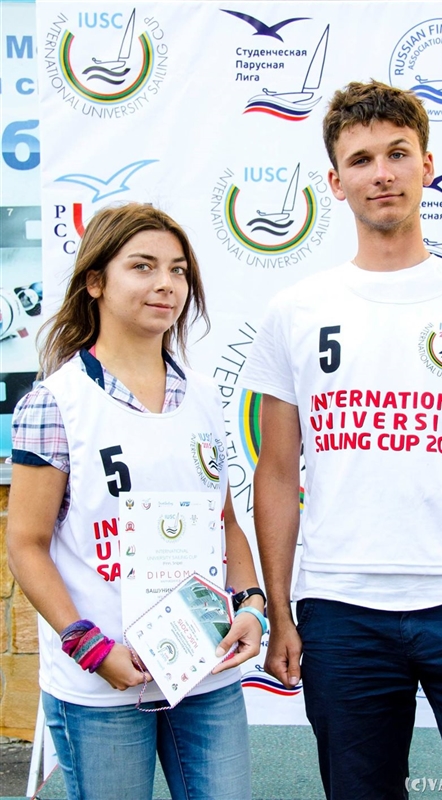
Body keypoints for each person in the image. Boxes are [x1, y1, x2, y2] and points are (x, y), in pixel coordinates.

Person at [242, 81, 442, 799]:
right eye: (360, 160)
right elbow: (277, 472)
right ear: (335, 182)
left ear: (426, 166)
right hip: (340, 610)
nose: (381, 173)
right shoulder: (296, 310)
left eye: (397, 153)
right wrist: (281, 611)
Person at [7, 203, 267, 800]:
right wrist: (90, 647)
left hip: (204, 673)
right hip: (102, 685)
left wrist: (252, 606)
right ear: (95, 282)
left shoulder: (203, 396)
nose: (166, 284)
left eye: (178, 270)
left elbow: (225, 522)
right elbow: (25, 544)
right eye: (143, 266)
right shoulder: (56, 403)